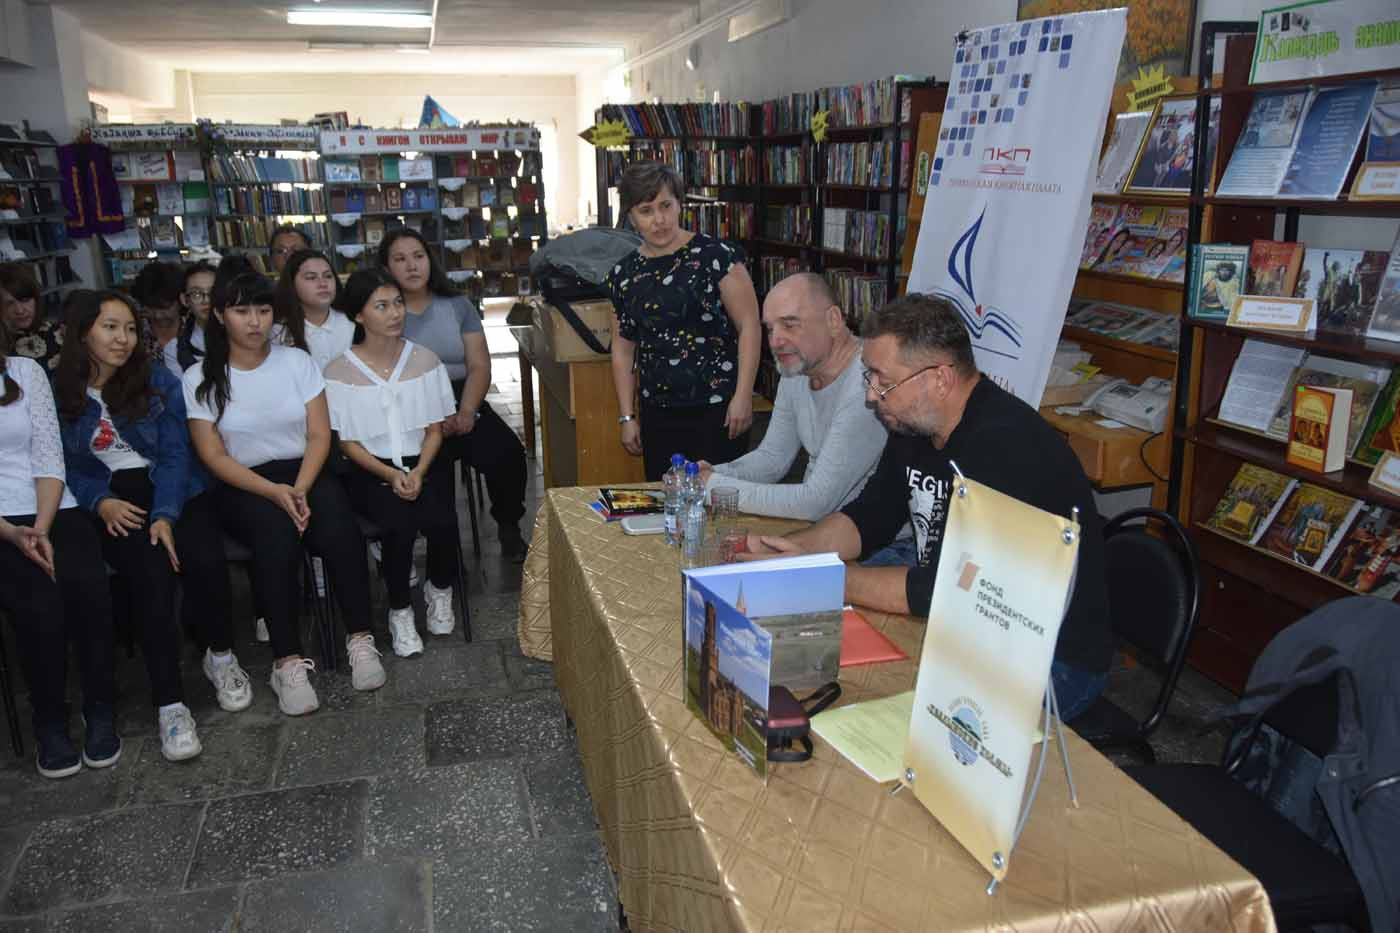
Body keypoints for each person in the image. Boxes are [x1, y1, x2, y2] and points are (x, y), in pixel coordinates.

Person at [742, 293, 1113, 721]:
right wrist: (792, 551)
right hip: (967, 621)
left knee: (884, 713)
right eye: (868, 377)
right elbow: (870, 517)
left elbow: (943, 589)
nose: (871, 395)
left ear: (939, 379)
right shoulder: (915, 423)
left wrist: (822, 577)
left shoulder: (1006, 447)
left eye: (883, 380)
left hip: (1052, 658)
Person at [54, 291, 252, 761]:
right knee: (151, 580)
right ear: (82, 332)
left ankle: (221, 656)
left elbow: (176, 455)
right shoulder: (58, 391)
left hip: (176, 488)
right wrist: (101, 502)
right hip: (113, 500)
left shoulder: (158, 379)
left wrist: (165, 515)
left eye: (129, 328)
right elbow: (64, 464)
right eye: (110, 327)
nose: (122, 339)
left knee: (204, 560)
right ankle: (171, 705)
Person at [183, 272, 385, 715]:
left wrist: (300, 488)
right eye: (241, 311)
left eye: (262, 310)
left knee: (339, 526)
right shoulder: (200, 376)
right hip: (245, 481)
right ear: (220, 316)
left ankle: (360, 638)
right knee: (274, 537)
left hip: (304, 472)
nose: (254, 321)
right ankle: (288, 662)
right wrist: (274, 492)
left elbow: (319, 435)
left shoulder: (296, 362)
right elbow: (213, 456)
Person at [0, 320, 119, 777]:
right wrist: (13, 532)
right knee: (38, 607)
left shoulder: (24, 371)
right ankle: (49, 719)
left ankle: (100, 707)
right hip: (2, 524)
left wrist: (40, 527)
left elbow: (50, 455)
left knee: (89, 589)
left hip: (51, 506)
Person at [324, 269, 459, 657]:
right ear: (359, 315)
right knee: (398, 523)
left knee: (444, 520)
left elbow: (435, 430)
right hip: (369, 468)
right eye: (381, 306)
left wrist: (418, 470)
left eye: (398, 303)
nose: (395, 312)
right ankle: (400, 610)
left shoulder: (426, 360)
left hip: (423, 460)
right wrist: (390, 474)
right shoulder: (338, 370)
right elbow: (347, 443)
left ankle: (439, 589)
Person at [377, 228, 529, 561]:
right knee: (432, 478)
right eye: (400, 259)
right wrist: (430, 419)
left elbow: (479, 365)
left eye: (418, 256)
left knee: (508, 454)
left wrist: (467, 411)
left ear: (430, 260)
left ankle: (508, 525)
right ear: (387, 268)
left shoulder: (457, 305)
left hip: (462, 397)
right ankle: (441, 551)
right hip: (410, 409)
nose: (412, 266)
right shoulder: (382, 311)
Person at [606, 162, 762, 480]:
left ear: (679, 204)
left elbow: (750, 326)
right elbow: (622, 350)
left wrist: (744, 395)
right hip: (658, 414)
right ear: (631, 216)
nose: (659, 219)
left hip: (720, 409)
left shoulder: (717, 257)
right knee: (667, 502)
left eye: (666, 205)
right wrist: (627, 417)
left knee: (719, 502)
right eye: (646, 210)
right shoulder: (623, 275)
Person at [696, 273, 885, 520]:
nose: (775, 341)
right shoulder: (798, 369)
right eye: (770, 328)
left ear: (833, 320)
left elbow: (815, 502)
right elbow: (773, 458)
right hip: (824, 527)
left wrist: (712, 486)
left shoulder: (867, 384)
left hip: (870, 538)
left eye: (790, 324)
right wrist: (710, 474)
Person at [277, 249, 353, 371]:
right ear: (292, 284)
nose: (323, 283)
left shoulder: (352, 323)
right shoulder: (277, 331)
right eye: (311, 277)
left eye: (328, 276)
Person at [0, 262, 63, 371]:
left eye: (25, 300)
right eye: (10, 304)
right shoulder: (3, 348)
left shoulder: (58, 334)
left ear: (36, 300)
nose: (20, 310)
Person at [166, 261, 217, 377]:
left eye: (213, 292)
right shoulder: (174, 349)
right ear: (185, 300)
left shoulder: (241, 337)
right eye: (196, 294)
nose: (206, 300)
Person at [129, 261, 185, 363]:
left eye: (164, 308)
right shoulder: (135, 331)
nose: (157, 315)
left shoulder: (194, 330)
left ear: (181, 301)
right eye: (151, 308)